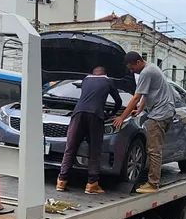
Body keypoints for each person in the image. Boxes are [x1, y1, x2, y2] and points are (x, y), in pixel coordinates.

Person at [113, 51, 175, 194]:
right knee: (154, 148)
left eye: (132, 68)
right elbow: (146, 95)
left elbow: (136, 97)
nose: (131, 71)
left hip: (159, 114)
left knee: (154, 150)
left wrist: (122, 117)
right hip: (164, 112)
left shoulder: (146, 72)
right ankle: (153, 182)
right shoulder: (152, 68)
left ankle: (153, 184)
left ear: (138, 62)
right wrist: (139, 110)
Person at [57, 66, 121, 195]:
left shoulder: (85, 80)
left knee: (70, 148)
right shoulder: (108, 81)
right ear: (105, 73)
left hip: (78, 114)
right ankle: (92, 184)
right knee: (94, 150)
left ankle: (61, 181)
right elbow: (118, 101)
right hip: (95, 116)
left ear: (92, 73)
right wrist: (111, 113)